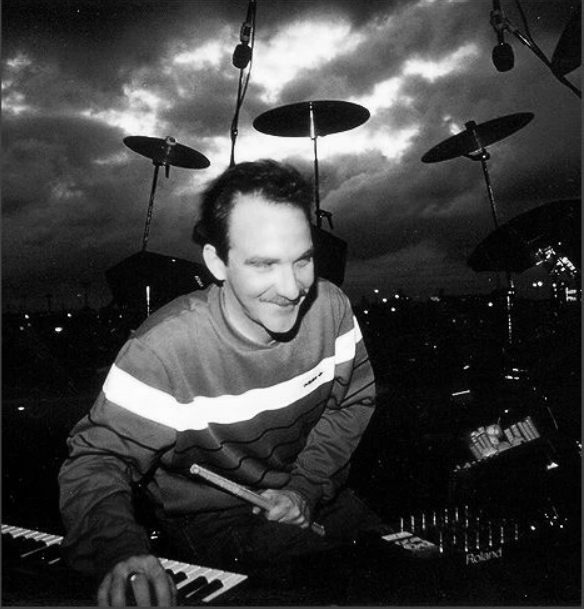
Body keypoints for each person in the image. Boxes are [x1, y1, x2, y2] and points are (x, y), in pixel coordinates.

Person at [59, 159, 384, 607]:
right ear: (217, 261)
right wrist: (118, 548)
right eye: (263, 264)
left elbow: (351, 404)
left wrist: (304, 489)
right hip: (216, 519)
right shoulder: (162, 350)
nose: (292, 288)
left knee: (411, 569)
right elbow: (96, 461)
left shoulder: (332, 308)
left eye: (303, 260)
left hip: (312, 494)